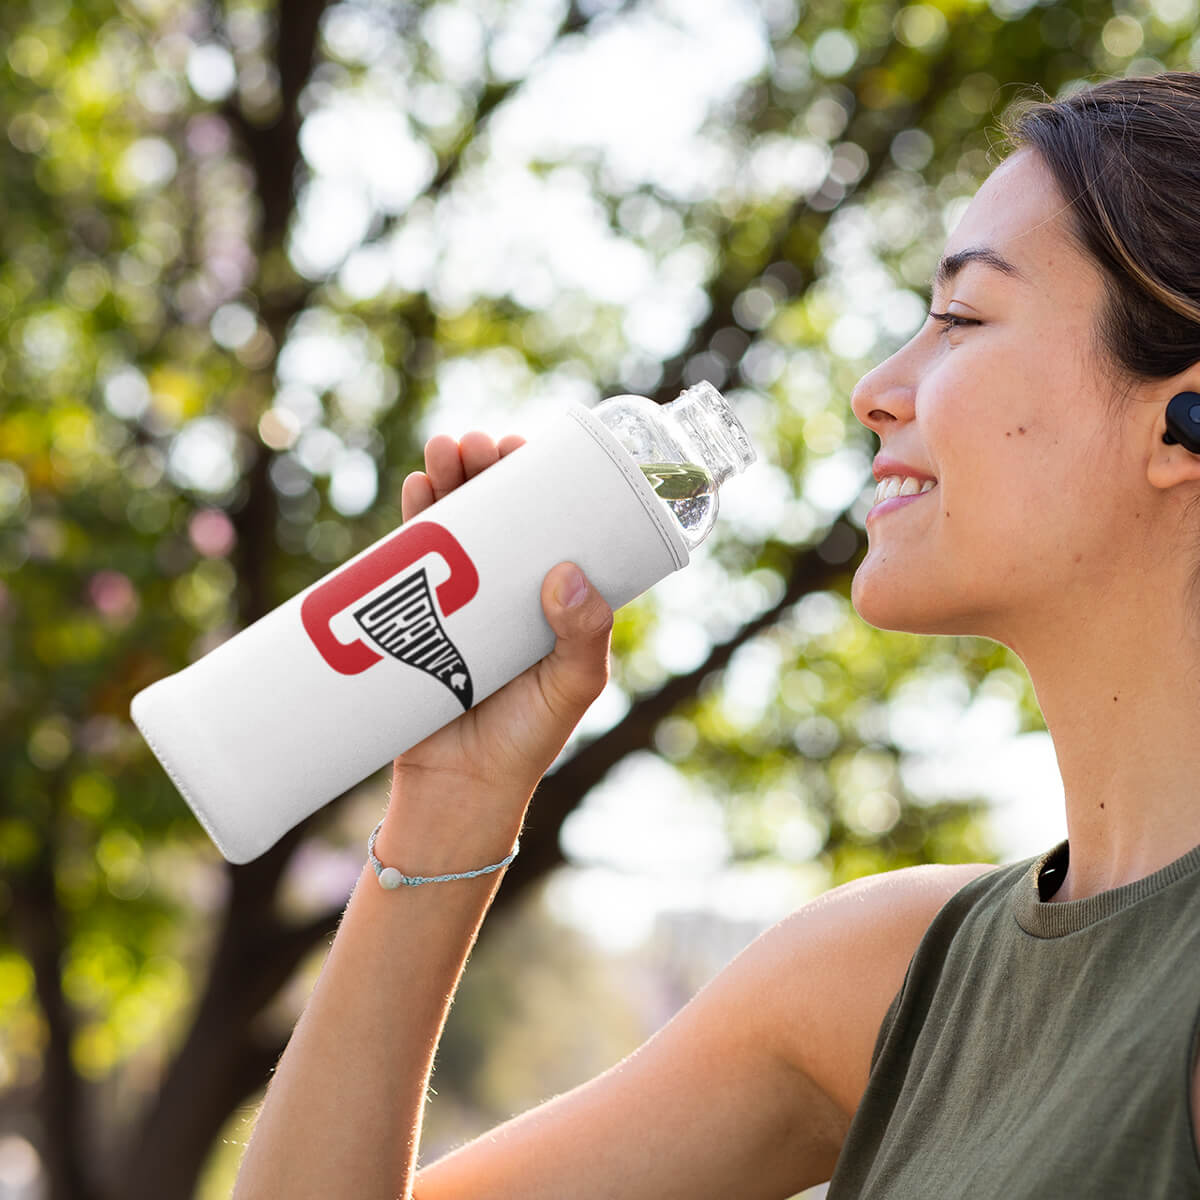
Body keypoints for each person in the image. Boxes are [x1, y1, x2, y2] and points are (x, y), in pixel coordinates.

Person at [232, 72, 1200, 1198]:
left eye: (963, 318)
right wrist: (455, 800)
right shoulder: (885, 978)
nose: (876, 389)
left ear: (1183, 425)